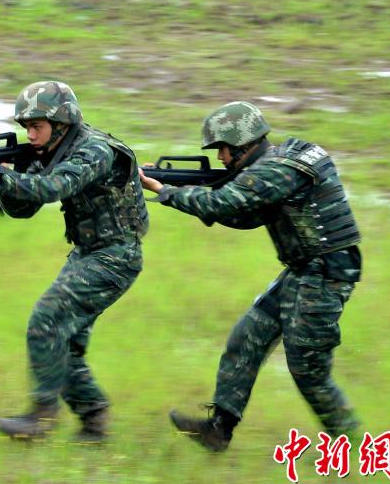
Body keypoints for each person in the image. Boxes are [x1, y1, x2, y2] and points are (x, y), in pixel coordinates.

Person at [138, 101, 362, 451]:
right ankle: (219, 430)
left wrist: (164, 191)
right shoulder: (284, 158)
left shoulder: (275, 172)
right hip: (304, 270)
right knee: (245, 340)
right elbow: (245, 216)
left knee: (309, 372)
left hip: (324, 275)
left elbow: (224, 205)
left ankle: (358, 446)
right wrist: (176, 185)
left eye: (222, 150)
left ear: (241, 144)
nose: (221, 159)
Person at [0, 81, 148, 442]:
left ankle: (41, 417)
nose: (31, 135)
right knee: (63, 341)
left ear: (62, 123)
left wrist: (0, 175)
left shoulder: (93, 150)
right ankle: (93, 418)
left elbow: (53, 189)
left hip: (115, 256)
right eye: (27, 128)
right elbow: (25, 208)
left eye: (37, 127)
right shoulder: (49, 150)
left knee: (46, 322)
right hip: (88, 252)